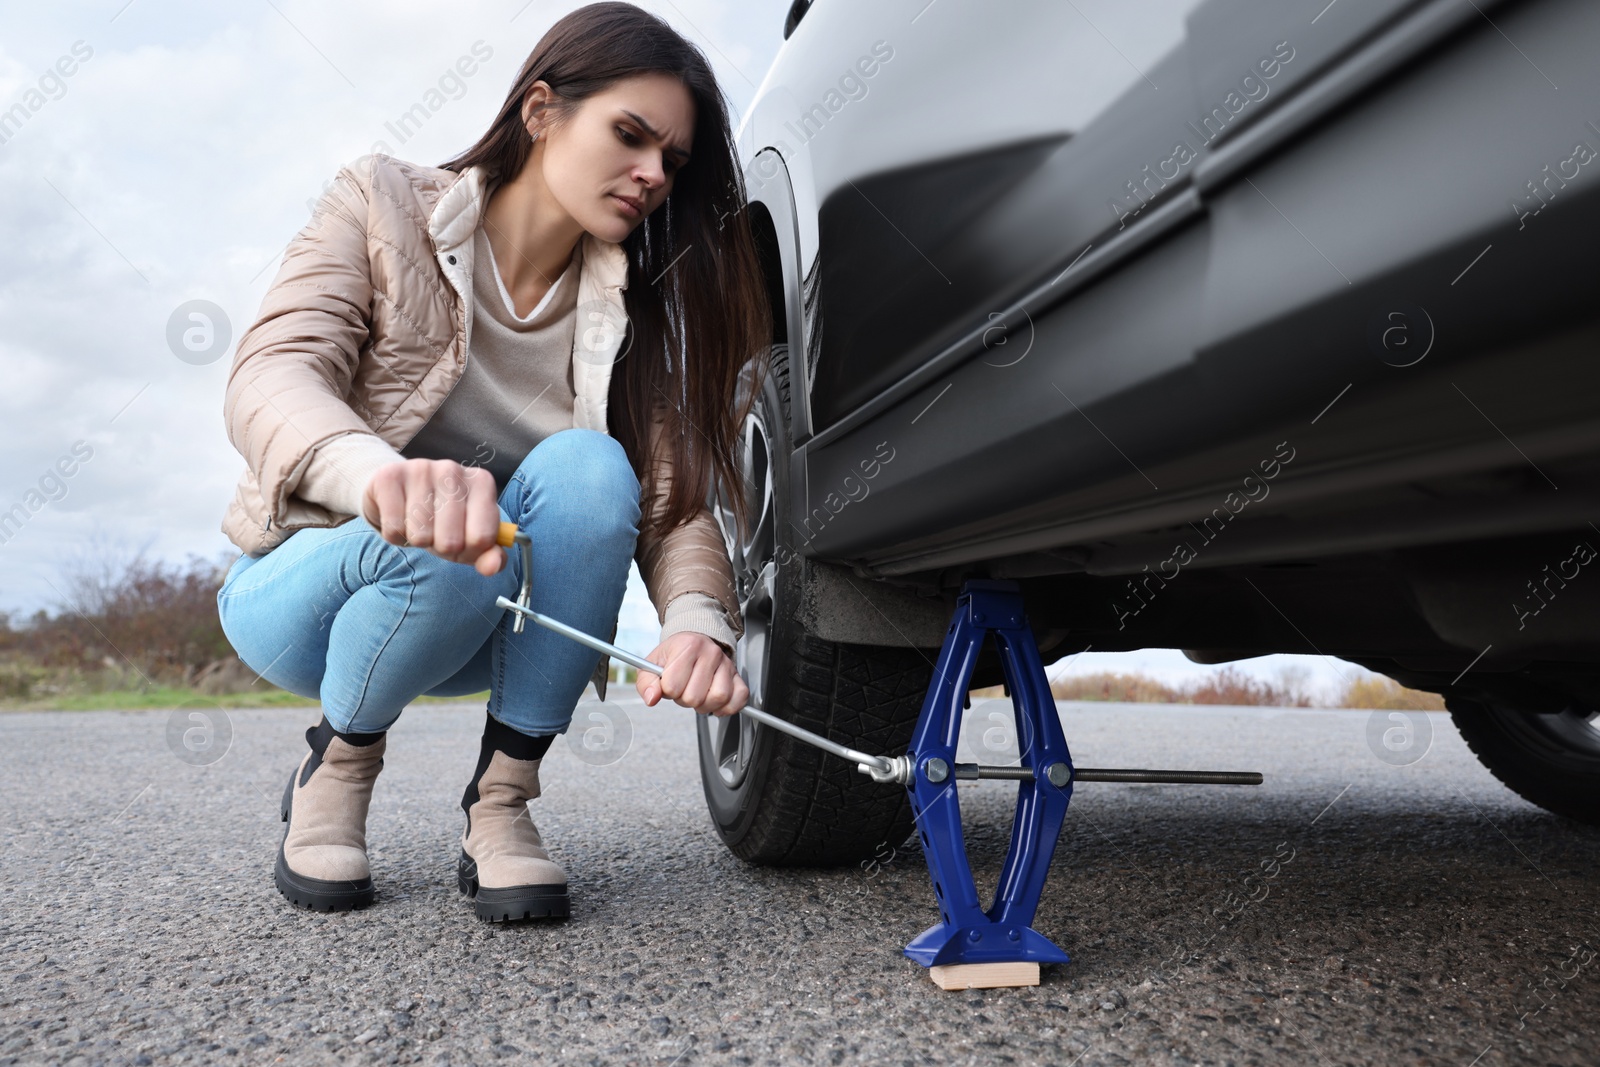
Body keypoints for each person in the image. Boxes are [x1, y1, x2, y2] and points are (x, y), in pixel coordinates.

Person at [215, 2, 771, 922]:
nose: (651, 176)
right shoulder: (381, 201)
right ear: (541, 109)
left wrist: (698, 624)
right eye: (630, 135)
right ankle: (339, 765)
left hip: (489, 620)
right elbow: (273, 371)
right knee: (443, 529)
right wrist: (379, 479)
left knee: (593, 466)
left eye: (670, 161)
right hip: (309, 589)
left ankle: (502, 801)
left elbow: (672, 507)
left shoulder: (638, 307)